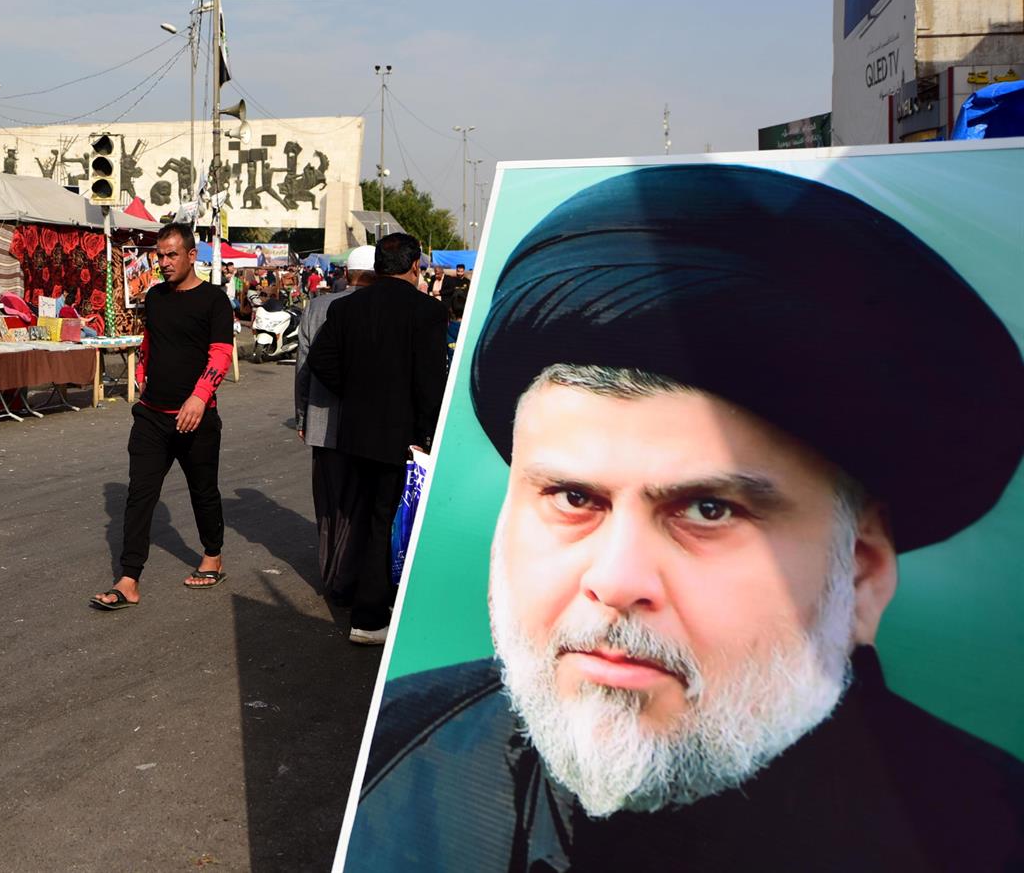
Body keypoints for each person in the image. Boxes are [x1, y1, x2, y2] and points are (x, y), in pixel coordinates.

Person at [349, 165, 1024, 871]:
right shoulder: (398, 754)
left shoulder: (982, 835)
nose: (615, 579)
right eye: (575, 499)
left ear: (861, 571)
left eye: (707, 509)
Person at [305, 232, 450, 643]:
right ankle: (369, 618)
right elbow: (430, 381)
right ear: (415, 265)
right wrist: (428, 431)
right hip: (402, 436)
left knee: (364, 515)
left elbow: (321, 359)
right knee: (383, 520)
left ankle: (364, 599)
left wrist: (353, 392)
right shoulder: (427, 312)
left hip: (355, 431)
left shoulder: (348, 308)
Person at [91, 221, 236, 610]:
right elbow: (150, 342)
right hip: (152, 416)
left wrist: (199, 398)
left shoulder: (214, 301)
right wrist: (140, 378)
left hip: (196, 417)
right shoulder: (155, 297)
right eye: (160, 256)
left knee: (203, 491)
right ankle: (128, 579)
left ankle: (212, 555)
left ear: (192, 255)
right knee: (140, 495)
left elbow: (221, 354)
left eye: (172, 255)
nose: (165, 263)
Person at [295, 245, 375, 603]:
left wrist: (302, 415)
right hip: (371, 424)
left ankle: (334, 579)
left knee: (328, 504)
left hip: (323, 421)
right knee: (362, 502)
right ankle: (357, 576)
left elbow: (303, 368)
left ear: (347, 272)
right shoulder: (380, 307)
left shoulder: (317, 307)